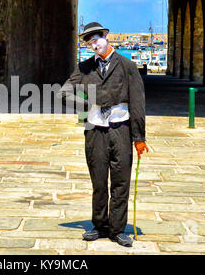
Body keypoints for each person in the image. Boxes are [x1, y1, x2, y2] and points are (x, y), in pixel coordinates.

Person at [57, 22, 149, 247]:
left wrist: (139, 138)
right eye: (89, 42)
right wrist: (87, 102)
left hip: (121, 131)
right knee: (99, 181)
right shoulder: (85, 67)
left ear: (106, 37)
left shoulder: (127, 65)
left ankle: (118, 229)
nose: (93, 44)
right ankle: (98, 225)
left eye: (96, 38)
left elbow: (138, 102)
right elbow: (64, 93)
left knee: (121, 181)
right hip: (95, 131)